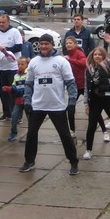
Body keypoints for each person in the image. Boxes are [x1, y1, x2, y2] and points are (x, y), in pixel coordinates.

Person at [19, 34, 80, 175]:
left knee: (65, 135)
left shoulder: (61, 61)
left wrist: (71, 102)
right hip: (38, 105)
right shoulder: (34, 62)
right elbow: (28, 84)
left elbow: (71, 83)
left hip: (56, 106)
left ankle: (73, 161)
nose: (43, 46)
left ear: (52, 45)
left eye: (46, 44)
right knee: (31, 134)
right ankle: (29, 161)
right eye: (41, 44)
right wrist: (27, 101)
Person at [63, 36, 106, 139]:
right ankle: (72, 130)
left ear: (75, 44)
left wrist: (71, 60)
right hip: (74, 86)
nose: (68, 45)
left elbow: (83, 63)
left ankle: (104, 131)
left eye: (70, 43)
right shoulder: (68, 54)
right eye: (67, 43)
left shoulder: (78, 53)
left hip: (84, 85)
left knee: (93, 110)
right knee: (70, 108)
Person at [0, 14, 23, 121]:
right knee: (3, 92)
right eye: (0, 22)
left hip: (13, 67)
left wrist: (6, 49)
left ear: (8, 22)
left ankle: (17, 115)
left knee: (14, 91)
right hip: (1, 68)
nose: (1, 24)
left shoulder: (15, 32)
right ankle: (7, 113)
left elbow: (19, 46)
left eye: (3, 22)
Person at [1, 57, 28, 142]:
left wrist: (17, 91)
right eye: (18, 64)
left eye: (22, 64)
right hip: (18, 100)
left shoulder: (29, 74)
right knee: (14, 117)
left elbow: (29, 87)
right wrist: (8, 88)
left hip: (27, 100)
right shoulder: (16, 75)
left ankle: (32, 134)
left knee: (31, 119)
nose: (20, 66)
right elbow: (14, 86)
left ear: (26, 65)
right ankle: (13, 132)